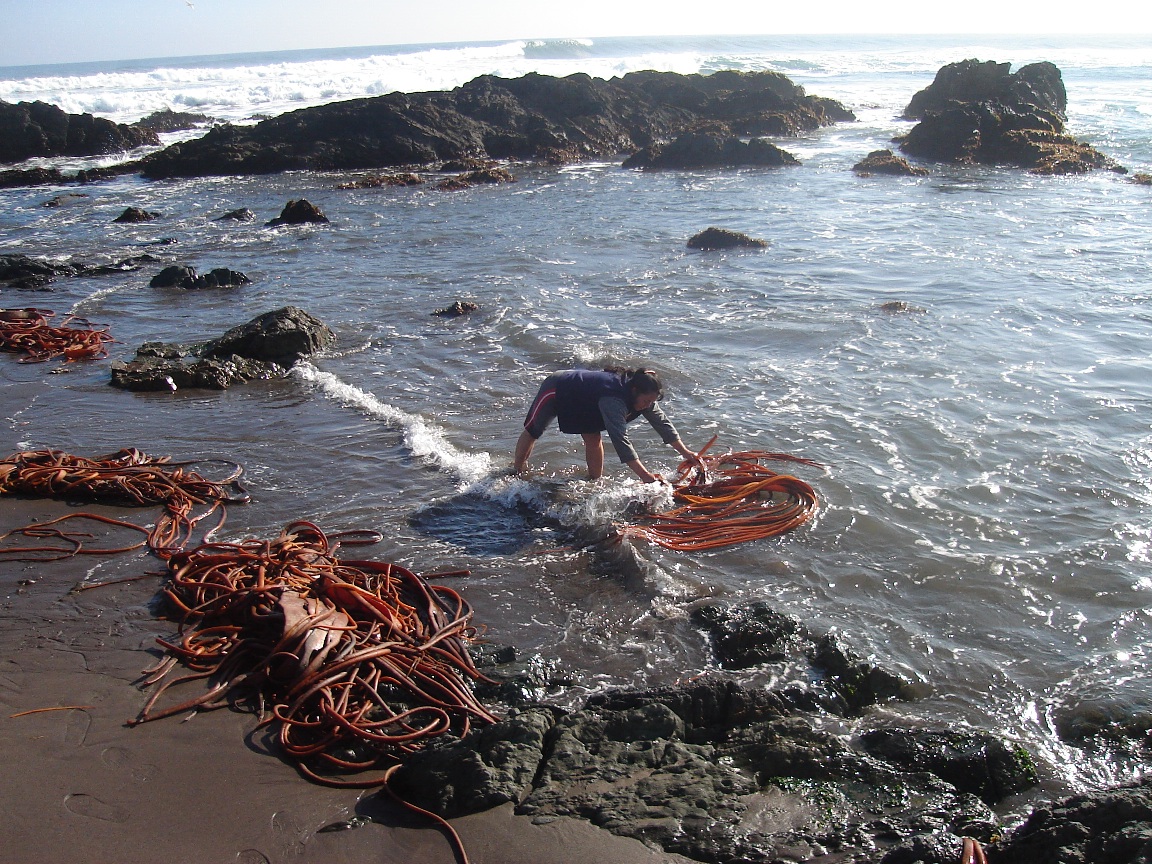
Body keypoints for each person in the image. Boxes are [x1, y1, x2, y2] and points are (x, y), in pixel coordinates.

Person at [513, 367, 702, 483]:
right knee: (533, 430)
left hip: (586, 399)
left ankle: (594, 480)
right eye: (645, 401)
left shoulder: (646, 397)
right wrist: (645, 476)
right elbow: (620, 440)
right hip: (558, 387)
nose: (647, 406)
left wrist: (687, 454)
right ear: (634, 391)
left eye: (651, 402)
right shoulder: (614, 400)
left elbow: (662, 423)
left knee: (593, 437)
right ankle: (517, 471)